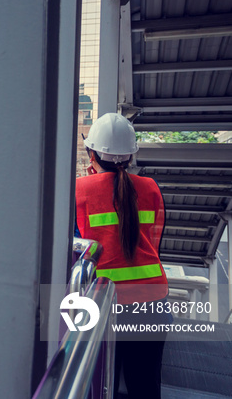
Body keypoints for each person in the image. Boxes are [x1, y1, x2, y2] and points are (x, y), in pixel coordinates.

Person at [75, 113, 171, 399]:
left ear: (91, 152)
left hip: (105, 304)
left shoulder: (79, 190)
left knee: (101, 386)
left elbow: (74, 248)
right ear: (130, 156)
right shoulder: (150, 188)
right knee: (145, 386)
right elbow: (153, 242)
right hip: (153, 301)